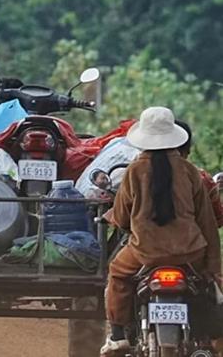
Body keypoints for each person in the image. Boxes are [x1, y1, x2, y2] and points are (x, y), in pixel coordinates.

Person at [100, 107, 221, 356]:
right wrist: (212, 267)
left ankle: (118, 336)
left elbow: (121, 218)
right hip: (190, 252)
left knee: (117, 273)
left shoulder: (134, 170)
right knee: (208, 288)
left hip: (145, 252)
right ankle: (205, 339)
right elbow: (207, 223)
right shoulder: (190, 171)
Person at [175, 120, 223, 228]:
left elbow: (127, 218)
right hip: (189, 243)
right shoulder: (201, 178)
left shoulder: (137, 174)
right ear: (187, 150)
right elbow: (217, 219)